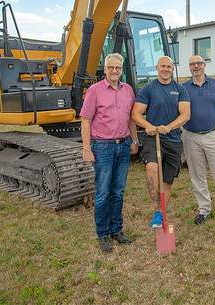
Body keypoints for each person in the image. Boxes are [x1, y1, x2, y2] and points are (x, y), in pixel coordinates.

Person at [80, 53, 139, 253]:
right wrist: (86, 148)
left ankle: (117, 230)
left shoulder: (128, 90)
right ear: (105, 69)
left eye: (118, 68)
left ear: (121, 70)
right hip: (102, 147)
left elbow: (131, 118)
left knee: (118, 190)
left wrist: (134, 139)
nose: (115, 71)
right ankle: (103, 234)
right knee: (103, 192)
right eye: (111, 68)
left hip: (123, 145)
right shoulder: (95, 91)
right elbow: (85, 120)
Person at [131, 56, 190, 228]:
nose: (165, 69)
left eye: (169, 66)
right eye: (162, 66)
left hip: (172, 139)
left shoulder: (180, 89)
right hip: (153, 138)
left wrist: (169, 127)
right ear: (157, 68)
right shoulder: (148, 88)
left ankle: (161, 212)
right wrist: (148, 126)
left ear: (173, 68)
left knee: (168, 180)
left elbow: (186, 114)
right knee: (152, 168)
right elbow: (135, 114)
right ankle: (157, 208)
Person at [181, 55, 215, 225]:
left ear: (204, 66)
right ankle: (204, 209)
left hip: (214, 134)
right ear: (189, 67)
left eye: (198, 63)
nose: (195, 66)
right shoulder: (183, 88)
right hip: (191, 136)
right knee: (197, 175)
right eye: (192, 64)